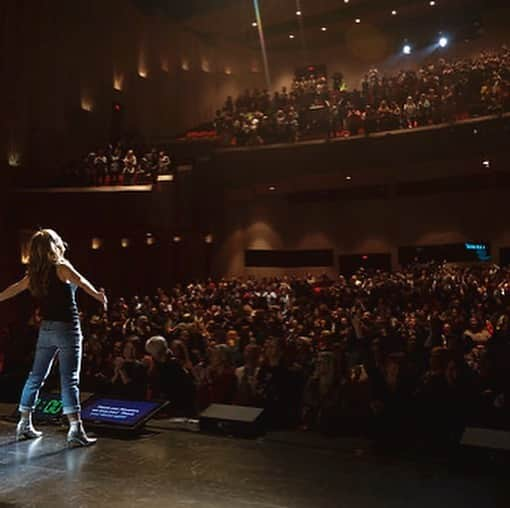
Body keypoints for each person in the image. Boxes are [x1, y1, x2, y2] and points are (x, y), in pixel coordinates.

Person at [0, 229, 107, 447]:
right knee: (69, 379)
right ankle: (75, 429)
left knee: (36, 376)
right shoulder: (62, 267)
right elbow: (82, 281)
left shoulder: (35, 274)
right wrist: (98, 296)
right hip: (68, 328)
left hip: (46, 329)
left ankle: (24, 423)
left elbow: (15, 289)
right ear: (54, 245)